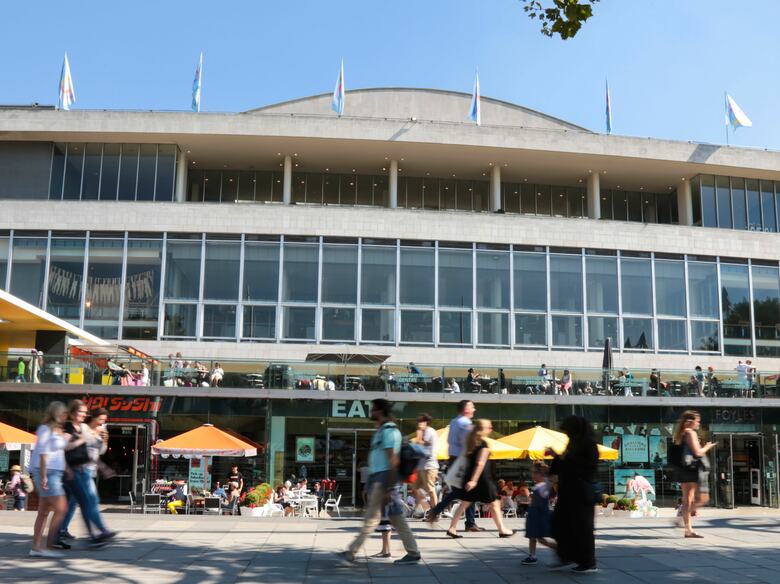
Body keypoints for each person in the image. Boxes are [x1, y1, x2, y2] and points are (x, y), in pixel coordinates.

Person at [339, 398, 421, 565]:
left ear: (380, 411)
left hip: (385, 480)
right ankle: (413, 552)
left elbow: (393, 461)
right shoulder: (382, 430)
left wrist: (389, 487)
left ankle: (351, 552)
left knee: (372, 518)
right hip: (379, 479)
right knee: (395, 517)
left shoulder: (389, 431)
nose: (371, 411)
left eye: (373, 409)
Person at [444, 419, 514, 538]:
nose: (491, 429)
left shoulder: (470, 441)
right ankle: (502, 530)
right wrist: (474, 480)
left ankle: (452, 528)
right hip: (482, 479)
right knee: (494, 503)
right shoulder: (483, 443)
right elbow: (480, 463)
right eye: (489, 427)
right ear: (483, 429)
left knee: (464, 503)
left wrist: (471, 480)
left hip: (470, 477)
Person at [547, 415, 599, 574]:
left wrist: (565, 457)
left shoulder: (589, 444)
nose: (567, 434)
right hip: (568, 492)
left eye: (568, 431)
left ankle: (588, 562)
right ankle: (567, 556)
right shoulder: (573, 443)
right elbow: (562, 465)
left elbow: (589, 467)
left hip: (581, 493)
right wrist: (557, 457)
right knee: (560, 524)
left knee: (582, 528)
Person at [58, 400, 112, 548]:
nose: (102, 423)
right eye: (80, 412)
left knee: (73, 504)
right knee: (86, 501)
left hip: (82, 469)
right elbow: (64, 447)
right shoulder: (76, 427)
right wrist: (87, 437)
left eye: (84, 412)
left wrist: (103, 441)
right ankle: (97, 534)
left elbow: (97, 452)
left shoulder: (82, 427)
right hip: (74, 470)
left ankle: (60, 532)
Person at [427, 400, 479, 532]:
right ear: (465, 409)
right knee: (465, 491)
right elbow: (468, 444)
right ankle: (437, 511)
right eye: (472, 407)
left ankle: (470, 522)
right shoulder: (465, 423)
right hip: (463, 461)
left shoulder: (454, 422)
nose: (474, 409)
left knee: (464, 492)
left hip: (454, 459)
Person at [29, 401, 69, 558]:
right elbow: (43, 453)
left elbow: (59, 453)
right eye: (63, 413)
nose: (65, 416)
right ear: (56, 413)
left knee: (44, 512)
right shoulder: (45, 429)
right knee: (61, 508)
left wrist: (67, 469)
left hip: (55, 473)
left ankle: (36, 547)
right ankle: (49, 545)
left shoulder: (58, 430)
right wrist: (44, 475)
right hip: (47, 473)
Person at [673, 410, 714, 539]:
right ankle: (681, 520)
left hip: (682, 470)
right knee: (703, 499)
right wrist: (707, 447)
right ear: (691, 421)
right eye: (697, 421)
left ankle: (688, 530)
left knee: (687, 500)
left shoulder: (680, 433)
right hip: (692, 470)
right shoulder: (691, 433)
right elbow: (698, 452)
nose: (698, 424)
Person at [521, 462, 556, 565]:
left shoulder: (545, 484)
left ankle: (560, 549)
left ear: (542, 474)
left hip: (539, 516)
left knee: (540, 539)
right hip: (534, 514)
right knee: (532, 537)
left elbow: (553, 478)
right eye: (532, 472)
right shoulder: (539, 485)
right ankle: (532, 556)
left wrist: (547, 471)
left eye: (535, 472)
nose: (532, 475)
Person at [412, 413, 439, 515]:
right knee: (414, 487)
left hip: (429, 465)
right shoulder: (423, 431)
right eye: (418, 422)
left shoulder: (429, 431)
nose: (419, 424)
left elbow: (420, 444)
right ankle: (427, 508)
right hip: (420, 466)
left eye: (421, 421)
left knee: (431, 489)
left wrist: (419, 434)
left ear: (426, 422)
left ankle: (435, 513)